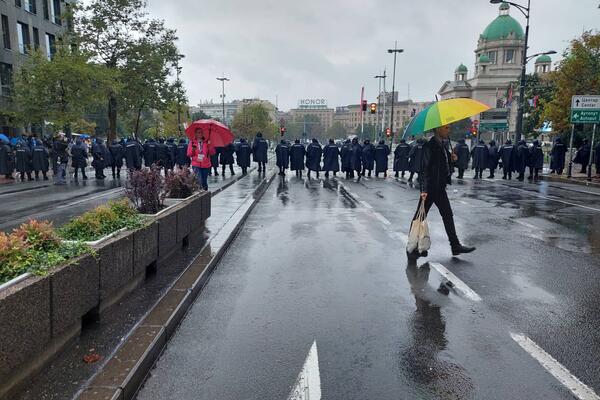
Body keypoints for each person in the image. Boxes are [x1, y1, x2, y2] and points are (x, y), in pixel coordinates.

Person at [407, 124, 475, 262]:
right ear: (438, 129)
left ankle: (455, 246)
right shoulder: (430, 146)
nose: (449, 130)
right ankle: (412, 247)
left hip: (439, 188)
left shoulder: (443, 145)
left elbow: (443, 165)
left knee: (447, 215)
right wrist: (424, 189)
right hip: (430, 188)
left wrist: (452, 160)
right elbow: (424, 169)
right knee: (419, 217)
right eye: (446, 128)